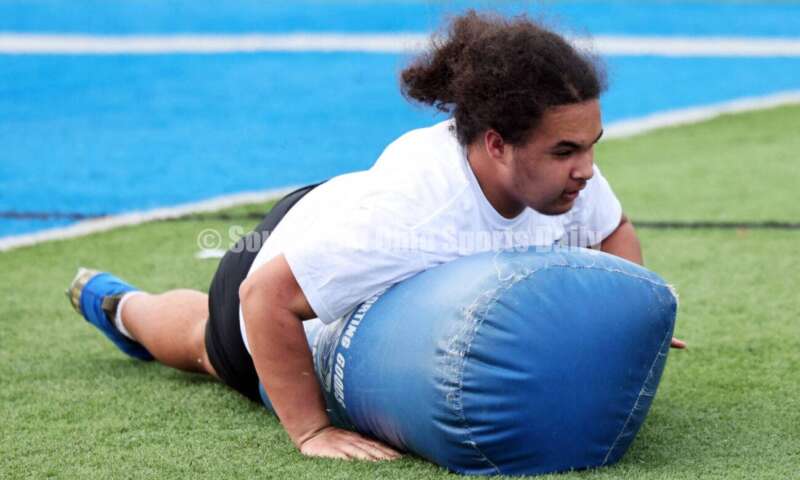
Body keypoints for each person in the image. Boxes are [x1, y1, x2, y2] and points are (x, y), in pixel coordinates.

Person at [67, 10, 685, 463]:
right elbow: (264, 297)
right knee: (202, 344)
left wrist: (623, 309)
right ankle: (121, 306)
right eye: (566, 150)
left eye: (591, 146)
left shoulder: (568, 178)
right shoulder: (414, 215)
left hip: (345, 206)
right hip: (276, 267)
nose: (586, 168)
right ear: (497, 144)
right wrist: (311, 431)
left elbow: (612, 229)